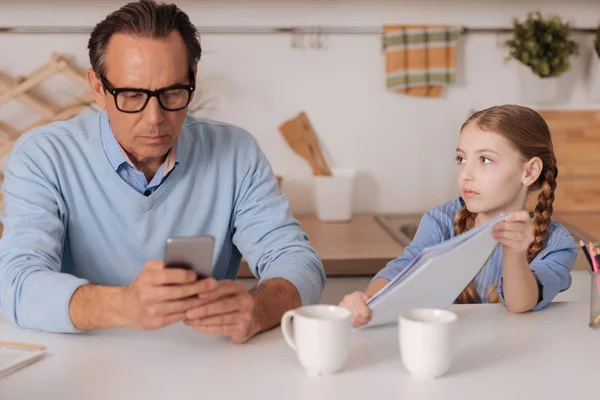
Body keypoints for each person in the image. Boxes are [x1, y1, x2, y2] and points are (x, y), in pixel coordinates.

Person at [0, 0, 325, 343]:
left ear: (193, 81)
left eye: (171, 92)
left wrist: (259, 308)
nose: (154, 118)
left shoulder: (236, 153)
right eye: (131, 95)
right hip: (81, 376)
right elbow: (15, 283)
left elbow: (297, 261)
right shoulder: (43, 157)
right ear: (98, 88)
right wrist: (121, 305)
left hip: (204, 368)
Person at [340, 104, 577, 327]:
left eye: (485, 160)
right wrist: (367, 301)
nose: (466, 173)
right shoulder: (441, 221)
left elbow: (520, 304)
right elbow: (402, 271)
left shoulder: (556, 243)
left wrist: (514, 253)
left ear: (529, 171)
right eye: (461, 159)